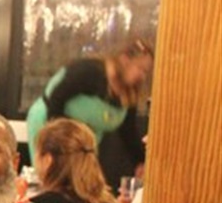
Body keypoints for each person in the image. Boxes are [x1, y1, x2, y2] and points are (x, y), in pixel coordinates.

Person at [25, 38, 154, 165]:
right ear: (125, 60)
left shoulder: (129, 95)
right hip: (49, 124)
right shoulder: (90, 71)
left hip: (82, 145)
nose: (142, 77)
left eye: (146, 72)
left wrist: (141, 162)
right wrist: (58, 144)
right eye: (140, 69)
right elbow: (56, 101)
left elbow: (128, 132)